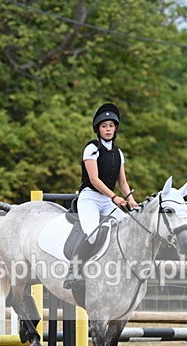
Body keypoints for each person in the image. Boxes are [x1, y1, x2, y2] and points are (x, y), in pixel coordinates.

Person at [64, 103, 139, 290]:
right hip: (90, 197)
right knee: (92, 234)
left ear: (115, 128)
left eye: (111, 126)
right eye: (104, 126)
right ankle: (73, 271)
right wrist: (115, 198)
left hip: (107, 200)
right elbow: (94, 179)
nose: (108, 129)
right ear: (98, 129)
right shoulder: (91, 148)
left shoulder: (118, 153)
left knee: (129, 230)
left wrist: (130, 198)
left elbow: (122, 182)